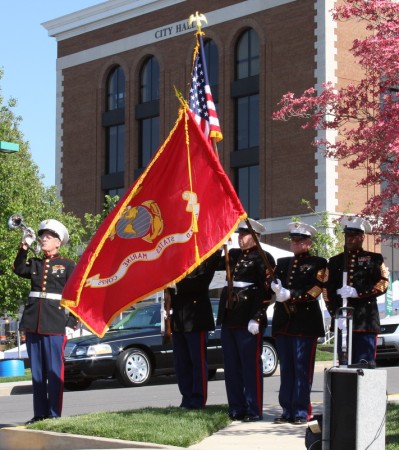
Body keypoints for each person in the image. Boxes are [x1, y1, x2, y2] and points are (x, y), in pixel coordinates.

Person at [13, 219, 77, 424]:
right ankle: (40, 414)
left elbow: (75, 295)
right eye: (42, 237)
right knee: (38, 374)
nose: (43, 240)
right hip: (34, 323)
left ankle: (54, 414)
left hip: (55, 324)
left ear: (58, 242)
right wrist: (24, 245)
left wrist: (71, 322)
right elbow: (17, 267)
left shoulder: (67, 265)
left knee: (54, 373)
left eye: (48, 237)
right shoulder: (35, 264)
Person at [216, 218, 275, 422]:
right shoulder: (232, 254)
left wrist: (257, 317)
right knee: (231, 367)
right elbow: (213, 262)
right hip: (230, 317)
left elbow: (268, 292)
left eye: (244, 235)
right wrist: (218, 240)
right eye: (239, 235)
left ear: (255, 237)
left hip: (248, 320)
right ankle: (236, 407)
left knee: (250, 367)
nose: (240, 238)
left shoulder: (264, 258)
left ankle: (253, 408)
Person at [271, 222, 326, 425]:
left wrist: (290, 295)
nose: (295, 243)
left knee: (302, 369)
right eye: (293, 240)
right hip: (284, 323)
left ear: (308, 243)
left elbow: (316, 289)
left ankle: (302, 410)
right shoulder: (282, 262)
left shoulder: (318, 263)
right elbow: (273, 282)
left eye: (300, 240)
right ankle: (287, 409)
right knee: (286, 369)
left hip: (305, 323)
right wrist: (274, 287)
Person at [323, 215, 389, 366]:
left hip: (365, 321)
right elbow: (327, 290)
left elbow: (383, 284)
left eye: (354, 236)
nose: (349, 239)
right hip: (343, 321)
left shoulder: (374, 259)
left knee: (365, 365)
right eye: (347, 235)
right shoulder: (335, 262)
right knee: (345, 366)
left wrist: (357, 292)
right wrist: (336, 315)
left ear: (362, 237)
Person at [169, 250, 222, 409]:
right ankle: (186, 398)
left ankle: (198, 399)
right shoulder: (176, 261)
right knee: (181, 363)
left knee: (197, 362)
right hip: (179, 318)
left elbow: (200, 283)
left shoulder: (205, 259)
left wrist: (176, 284)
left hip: (196, 319)